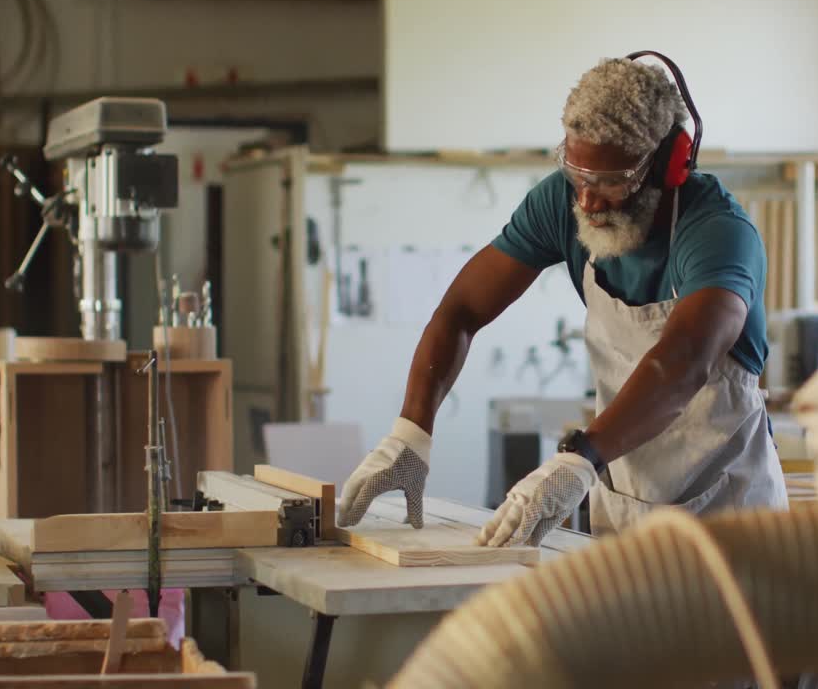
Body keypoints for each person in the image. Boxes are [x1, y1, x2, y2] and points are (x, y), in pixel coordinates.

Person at [337, 52, 788, 547]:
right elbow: (462, 310)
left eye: (613, 183)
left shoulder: (717, 232)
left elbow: (684, 361)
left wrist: (581, 457)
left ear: (669, 165)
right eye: (578, 175)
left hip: (730, 520)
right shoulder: (561, 202)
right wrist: (411, 431)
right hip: (626, 507)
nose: (588, 202)